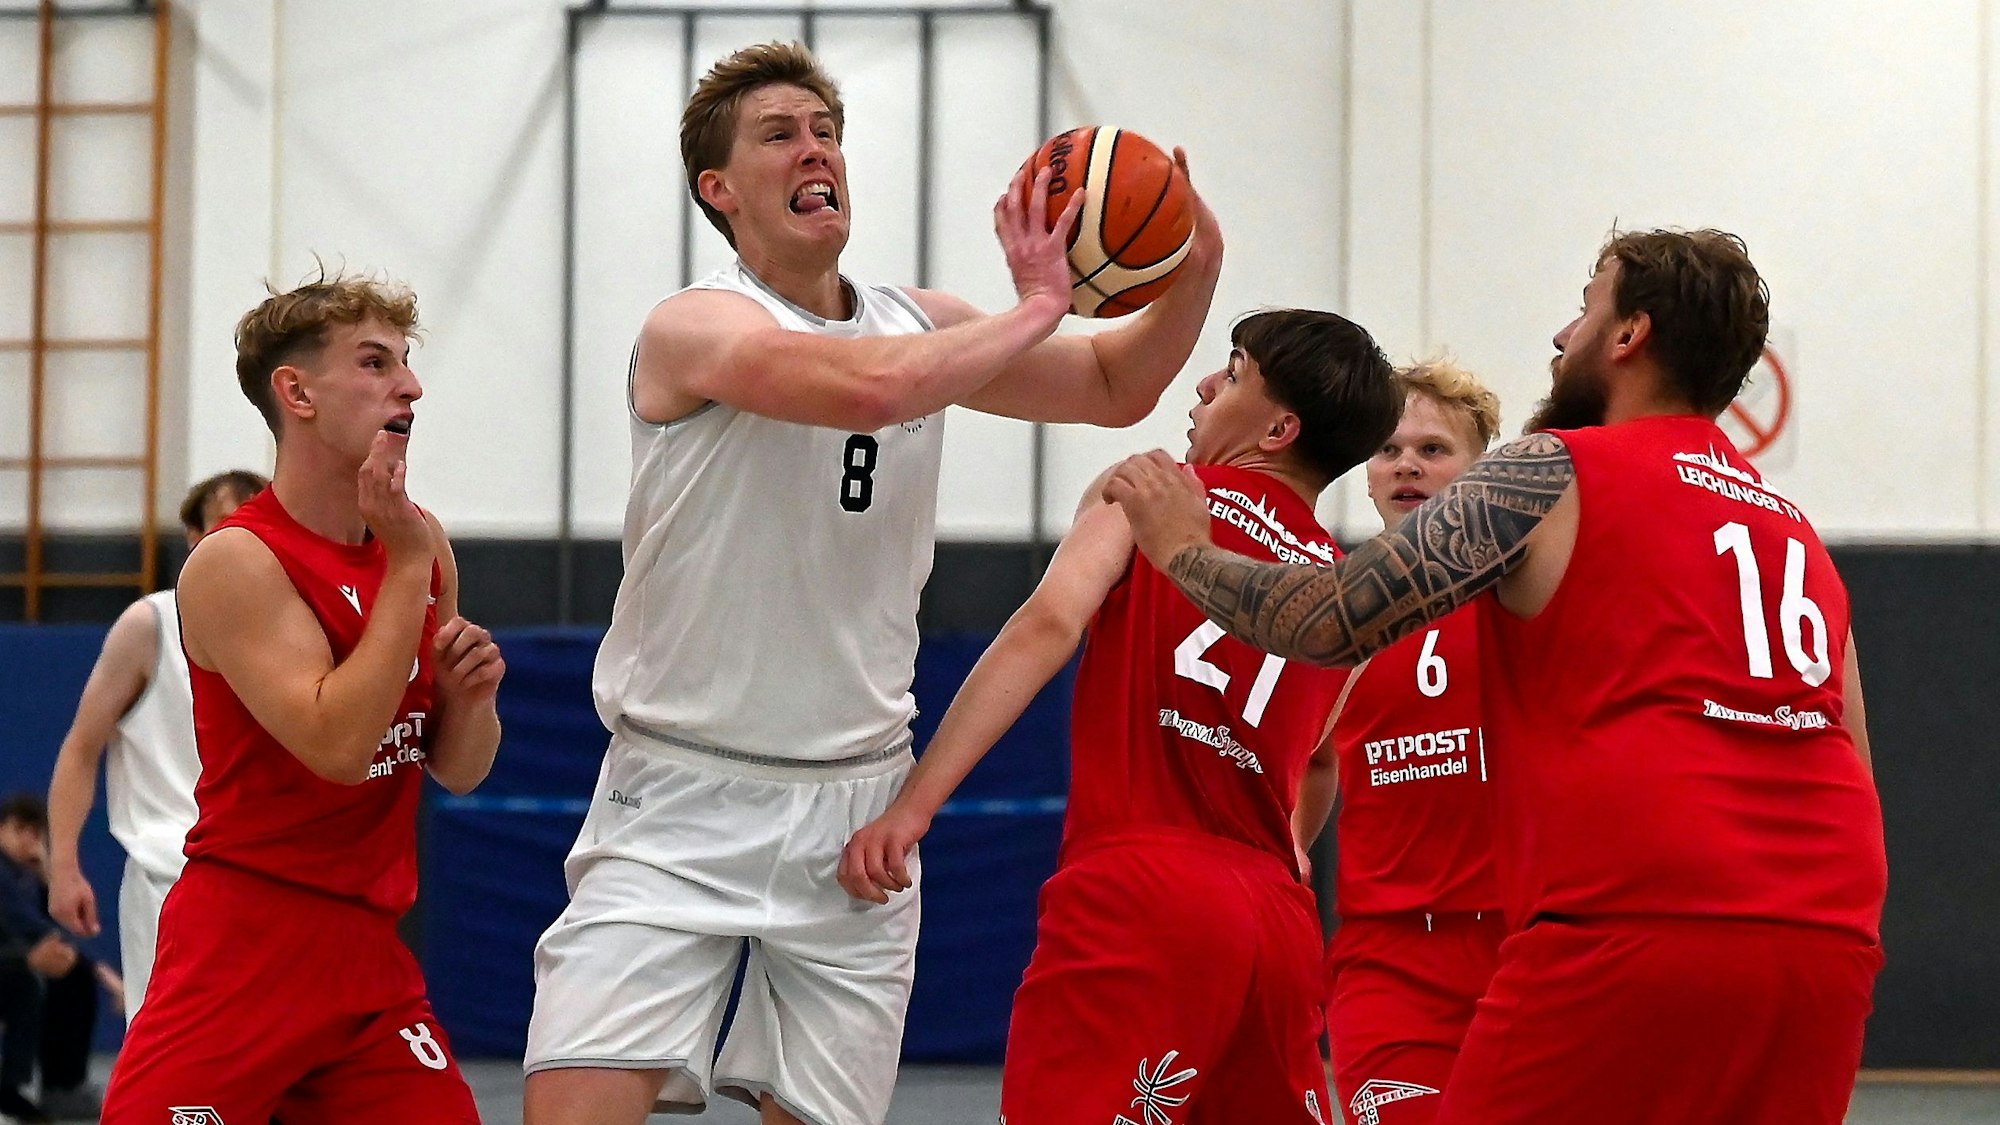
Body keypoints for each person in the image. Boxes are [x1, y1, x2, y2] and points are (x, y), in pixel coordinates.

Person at [521, 40, 1223, 1125]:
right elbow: (870, 392)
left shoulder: (921, 321)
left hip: (855, 800)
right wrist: (1036, 305)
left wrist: (1196, 258)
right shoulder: (693, 325)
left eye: (826, 132)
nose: (816, 152)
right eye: (780, 135)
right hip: (676, 788)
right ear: (718, 189)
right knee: (572, 1113)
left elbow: (1114, 381)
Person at [1104, 228, 1887, 1125]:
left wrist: (1182, 548)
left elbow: (1329, 617)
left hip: (1638, 915)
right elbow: (1851, 751)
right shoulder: (1795, 533)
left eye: (1585, 306)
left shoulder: (1551, 471)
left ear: (1629, 335)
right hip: (1826, 931)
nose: (1562, 336)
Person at [841, 309, 1402, 1125]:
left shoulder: (1149, 490)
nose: (1206, 386)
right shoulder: (1345, 590)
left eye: (1235, 372)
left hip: (1143, 893)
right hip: (1275, 918)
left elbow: (1048, 623)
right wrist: (1290, 853)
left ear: (1279, 427)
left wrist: (913, 805)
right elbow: (1319, 759)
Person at [100, 273, 507, 1125]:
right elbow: (336, 743)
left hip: (367, 956)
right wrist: (402, 570)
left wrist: (474, 699)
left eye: (405, 361)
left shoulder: (420, 540)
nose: (410, 385)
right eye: (374, 362)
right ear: (297, 392)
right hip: (244, 944)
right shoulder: (237, 561)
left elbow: (456, 770)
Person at [1288, 361, 1504, 1125]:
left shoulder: (1524, 596)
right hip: (1389, 956)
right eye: (1387, 449)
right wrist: (1288, 847)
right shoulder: (1332, 609)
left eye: (1434, 448)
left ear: (1483, 473)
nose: (1406, 463)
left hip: (1519, 947)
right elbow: (1310, 754)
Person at [44, 470, 268, 1028]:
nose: (243, 536)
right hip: (172, 877)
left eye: (256, 522)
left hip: (271, 878)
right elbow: (80, 748)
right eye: (226, 522)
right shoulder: (151, 624)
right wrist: (64, 866)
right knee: (170, 1066)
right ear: (194, 536)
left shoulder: (294, 627)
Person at [0, 794, 117, 1124]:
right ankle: (22, 1086)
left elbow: (57, 927)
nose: (28, 840)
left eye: (35, 833)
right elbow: (24, 923)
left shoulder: (23, 878)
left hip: (9, 960)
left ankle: (62, 1085)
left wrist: (47, 877)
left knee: (67, 973)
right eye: (19, 829)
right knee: (32, 977)